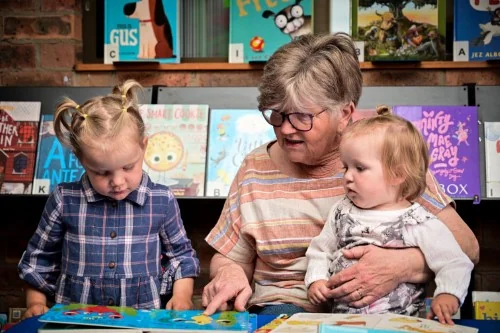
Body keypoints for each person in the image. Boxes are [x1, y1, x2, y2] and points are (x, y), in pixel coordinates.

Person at [202, 33, 479, 316]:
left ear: (345, 113)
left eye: (302, 116)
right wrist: (229, 273)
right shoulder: (255, 167)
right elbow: (230, 256)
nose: (285, 128)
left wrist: (405, 265)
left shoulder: (387, 159)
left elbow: (467, 247)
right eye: (276, 114)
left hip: (387, 312)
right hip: (284, 309)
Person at [18, 80, 200, 318]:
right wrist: (35, 303)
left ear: (143, 147)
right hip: (77, 319)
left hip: (144, 318)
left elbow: (181, 256)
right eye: (102, 172)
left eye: (128, 167)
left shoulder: (161, 199)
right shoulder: (64, 199)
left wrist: (182, 296)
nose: (117, 182)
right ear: (82, 160)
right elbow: (39, 258)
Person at [305, 106, 473, 325]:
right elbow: (320, 250)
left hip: (401, 323)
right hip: (343, 321)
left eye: (360, 168)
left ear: (397, 174)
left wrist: (448, 293)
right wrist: (316, 279)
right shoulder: (341, 211)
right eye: (346, 167)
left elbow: (453, 260)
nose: (347, 176)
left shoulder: (417, 220)